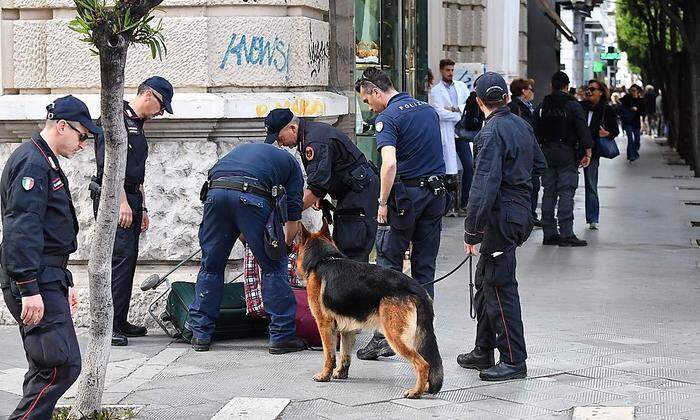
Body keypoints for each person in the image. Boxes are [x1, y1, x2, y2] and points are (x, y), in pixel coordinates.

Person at [0, 96, 102, 419]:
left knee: (45, 367)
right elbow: (22, 229)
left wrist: (65, 280)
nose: (84, 144)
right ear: (62, 126)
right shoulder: (33, 164)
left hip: (47, 276)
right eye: (82, 135)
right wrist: (29, 288)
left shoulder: (44, 160)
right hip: (35, 280)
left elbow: (49, 234)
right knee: (61, 365)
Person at [458, 72, 546, 381]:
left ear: (479, 101)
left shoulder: (491, 132)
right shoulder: (520, 123)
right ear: (506, 98)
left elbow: (483, 185)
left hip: (501, 217)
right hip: (517, 213)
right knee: (485, 280)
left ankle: (513, 359)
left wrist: (472, 231)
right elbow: (539, 164)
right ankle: (484, 349)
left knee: (499, 287)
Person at [354, 67, 446, 360]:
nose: (369, 107)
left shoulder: (388, 118)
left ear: (376, 92)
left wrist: (382, 202)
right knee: (424, 267)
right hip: (435, 195)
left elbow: (389, 164)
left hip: (406, 199)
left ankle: (384, 337)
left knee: (388, 267)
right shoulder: (426, 109)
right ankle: (422, 331)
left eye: (368, 101)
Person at [186, 143, 306, 354]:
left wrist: (247, 235)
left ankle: (200, 334)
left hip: (215, 193)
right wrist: (283, 249)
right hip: (250, 195)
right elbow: (293, 216)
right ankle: (282, 336)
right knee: (274, 267)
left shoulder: (242, 153)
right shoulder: (293, 166)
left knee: (211, 266)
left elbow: (234, 215)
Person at [91, 76, 174, 347]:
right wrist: (123, 203)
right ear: (148, 95)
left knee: (129, 259)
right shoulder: (115, 119)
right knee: (118, 258)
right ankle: (110, 325)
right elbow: (110, 169)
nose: (161, 112)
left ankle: (121, 319)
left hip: (133, 197)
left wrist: (143, 204)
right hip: (117, 197)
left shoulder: (137, 124)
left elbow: (136, 169)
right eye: (161, 106)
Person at [265, 108, 379, 262]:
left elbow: (316, 187)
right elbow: (321, 177)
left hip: (358, 196)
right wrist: (318, 195)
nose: (280, 144)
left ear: (292, 128)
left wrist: (287, 212)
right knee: (344, 248)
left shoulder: (315, 141)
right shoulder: (310, 135)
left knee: (351, 252)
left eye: (279, 138)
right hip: (352, 193)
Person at [534, 71, 593, 247]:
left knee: (548, 192)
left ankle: (549, 233)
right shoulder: (573, 106)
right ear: (566, 86)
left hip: (547, 153)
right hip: (567, 152)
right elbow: (583, 129)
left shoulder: (542, 106)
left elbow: (534, 130)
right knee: (566, 191)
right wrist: (587, 151)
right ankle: (566, 233)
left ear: (552, 86)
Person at [429, 58, 469, 213]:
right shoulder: (436, 91)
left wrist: (454, 108)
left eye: (452, 70)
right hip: (447, 134)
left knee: (468, 166)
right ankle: (448, 205)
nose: (450, 73)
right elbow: (439, 113)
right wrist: (458, 114)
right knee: (448, 171)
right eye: (447, 70)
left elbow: (467, 106)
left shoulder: (461, 86)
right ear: (441, 71)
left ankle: (465, 203)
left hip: (462, 134)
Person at [581, 79, 619, 231]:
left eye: (592, 89)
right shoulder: (580, 107)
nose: (589, 91)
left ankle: (592, 218)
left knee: (591, 185)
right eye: (587, 88)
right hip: (576, 150)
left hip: (593, 151)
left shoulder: (606, 109)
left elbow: (615, 130)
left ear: (601, 92)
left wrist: (607, 133)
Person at [508, 78, 541, 226]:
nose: (532, 92)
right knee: (529, 184)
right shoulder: (515, 107)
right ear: (523, 91)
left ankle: (531, 214)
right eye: (530, 89)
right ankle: (528, 215)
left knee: (533, 184)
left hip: (528, 150)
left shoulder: (527, 106)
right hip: (522, 152)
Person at [454, 91, 484, 211]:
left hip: (474, 137)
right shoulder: (473, 98)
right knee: (470, 167)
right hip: (465, 137)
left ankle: (469, 201)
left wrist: (455, 109)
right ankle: (466, 202)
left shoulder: (463, 89)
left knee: (474, 168)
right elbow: (470, 120)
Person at [619, 84, 645, 162]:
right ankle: (632, 155)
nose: (633, 92)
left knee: (637, 140)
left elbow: (643, 111)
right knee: (630, 139)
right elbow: (621, 103)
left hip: (636, 122)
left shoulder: (641, 100)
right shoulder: (627, 98)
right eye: (631, 90)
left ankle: (632, 152)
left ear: (638, 91)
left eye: (634, 90)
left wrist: (637, 109)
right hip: (628, 121)